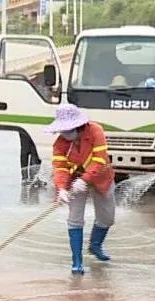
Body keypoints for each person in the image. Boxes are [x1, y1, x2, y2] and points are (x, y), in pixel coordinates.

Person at [46, 104, 116, 275]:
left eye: (68, 129)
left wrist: (85, 179)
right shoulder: (60, 144)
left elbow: (100, 159)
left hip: (100, 177)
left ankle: (95, 245)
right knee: (74, 219)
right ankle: (77, 260)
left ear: (78, 126)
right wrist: (62, 188)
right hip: (74, 180)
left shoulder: (95, 131)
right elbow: (60, 168)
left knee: (107, 218)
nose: (65, 133)